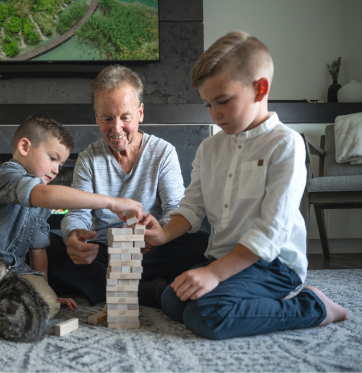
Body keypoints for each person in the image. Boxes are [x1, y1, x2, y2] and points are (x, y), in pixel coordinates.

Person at [143, 31, 349, 340]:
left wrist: (213, 274)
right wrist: (161, 234)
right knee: (174, 299)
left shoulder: (285, 144)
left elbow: (270, 233)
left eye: (223, 101)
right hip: (221, 259)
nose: (215, 113)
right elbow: (191, 208)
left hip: (273, 265)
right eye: (207, 104)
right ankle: (246, 298)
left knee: (206, 315)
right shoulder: (209, 149)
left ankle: (314, 305)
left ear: (260, 88)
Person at [0, 115, 143, 337]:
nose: (56, 170)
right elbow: (43, 195)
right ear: (25, 146)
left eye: (61, 164)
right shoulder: (5, 175)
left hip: (13, 274)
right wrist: (111, 202)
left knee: (48, 306)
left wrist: (50, 291)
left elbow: (38, 251)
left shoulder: (42, 205)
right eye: (53, 158)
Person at [46, 65, 210, 308]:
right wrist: (72, 237)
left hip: (149, 253)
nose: (116, 129)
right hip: (102, 251)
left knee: (201, 243)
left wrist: (157, 236)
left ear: (140, 113)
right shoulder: (89, 158)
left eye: (125, 117)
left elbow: (175, 209)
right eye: (107, 118)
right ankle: (142, 290)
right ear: (96, 117)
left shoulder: (163, 152)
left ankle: (100, 283)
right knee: (45, 247)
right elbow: (77, 212)